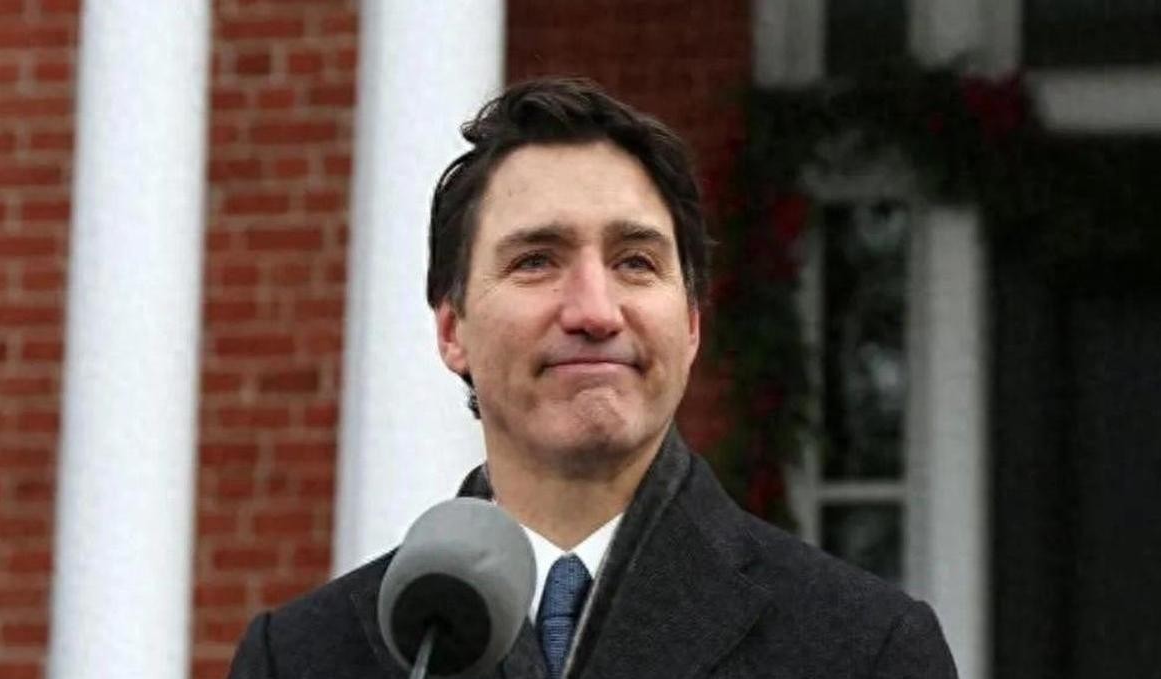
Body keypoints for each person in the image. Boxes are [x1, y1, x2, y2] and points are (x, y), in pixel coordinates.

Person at [227, 77, 957, 679]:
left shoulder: (866, 650)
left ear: (691, 325)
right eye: (536, 261)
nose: (595, 311)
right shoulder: (302, 658)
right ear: (452, 330)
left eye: (635, 262)